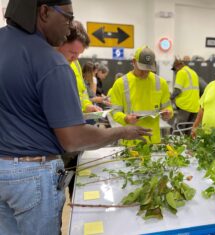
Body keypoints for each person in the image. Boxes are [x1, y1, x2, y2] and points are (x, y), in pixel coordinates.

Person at [0, 1, 151, 234]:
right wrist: (121, 131)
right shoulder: (49, 61)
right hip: (31, 176)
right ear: (43, 11)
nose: (69, 25)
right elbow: (73, 139)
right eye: (68, 17)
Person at [109, 46, 173, 145]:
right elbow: (115, 111)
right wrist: (125, 118)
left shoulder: (161, 83)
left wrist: (168, 113)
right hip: (130, 141)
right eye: (142, 68)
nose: (145, 72)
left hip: (153, 139)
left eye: (148, 69)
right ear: (134, 62)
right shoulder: (120, 83)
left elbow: (167, 107)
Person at [57, 20, 100, 113]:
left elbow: (82, 92)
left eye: (79, 54)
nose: (75, 58)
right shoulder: (48, 63)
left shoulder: (76, 63)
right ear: (60, 43)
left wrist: (87, 106)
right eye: (73, 52)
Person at [171, 58, 200, 134]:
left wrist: (169, 98)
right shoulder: (193, 72)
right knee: (189, 130)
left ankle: (176, 145)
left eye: (175, 69)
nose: (175, 72)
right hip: (195, 106)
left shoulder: (181, 72)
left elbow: (177, 90)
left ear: (177, 66)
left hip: (185, 106)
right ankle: (188, 145)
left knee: (178, 129)